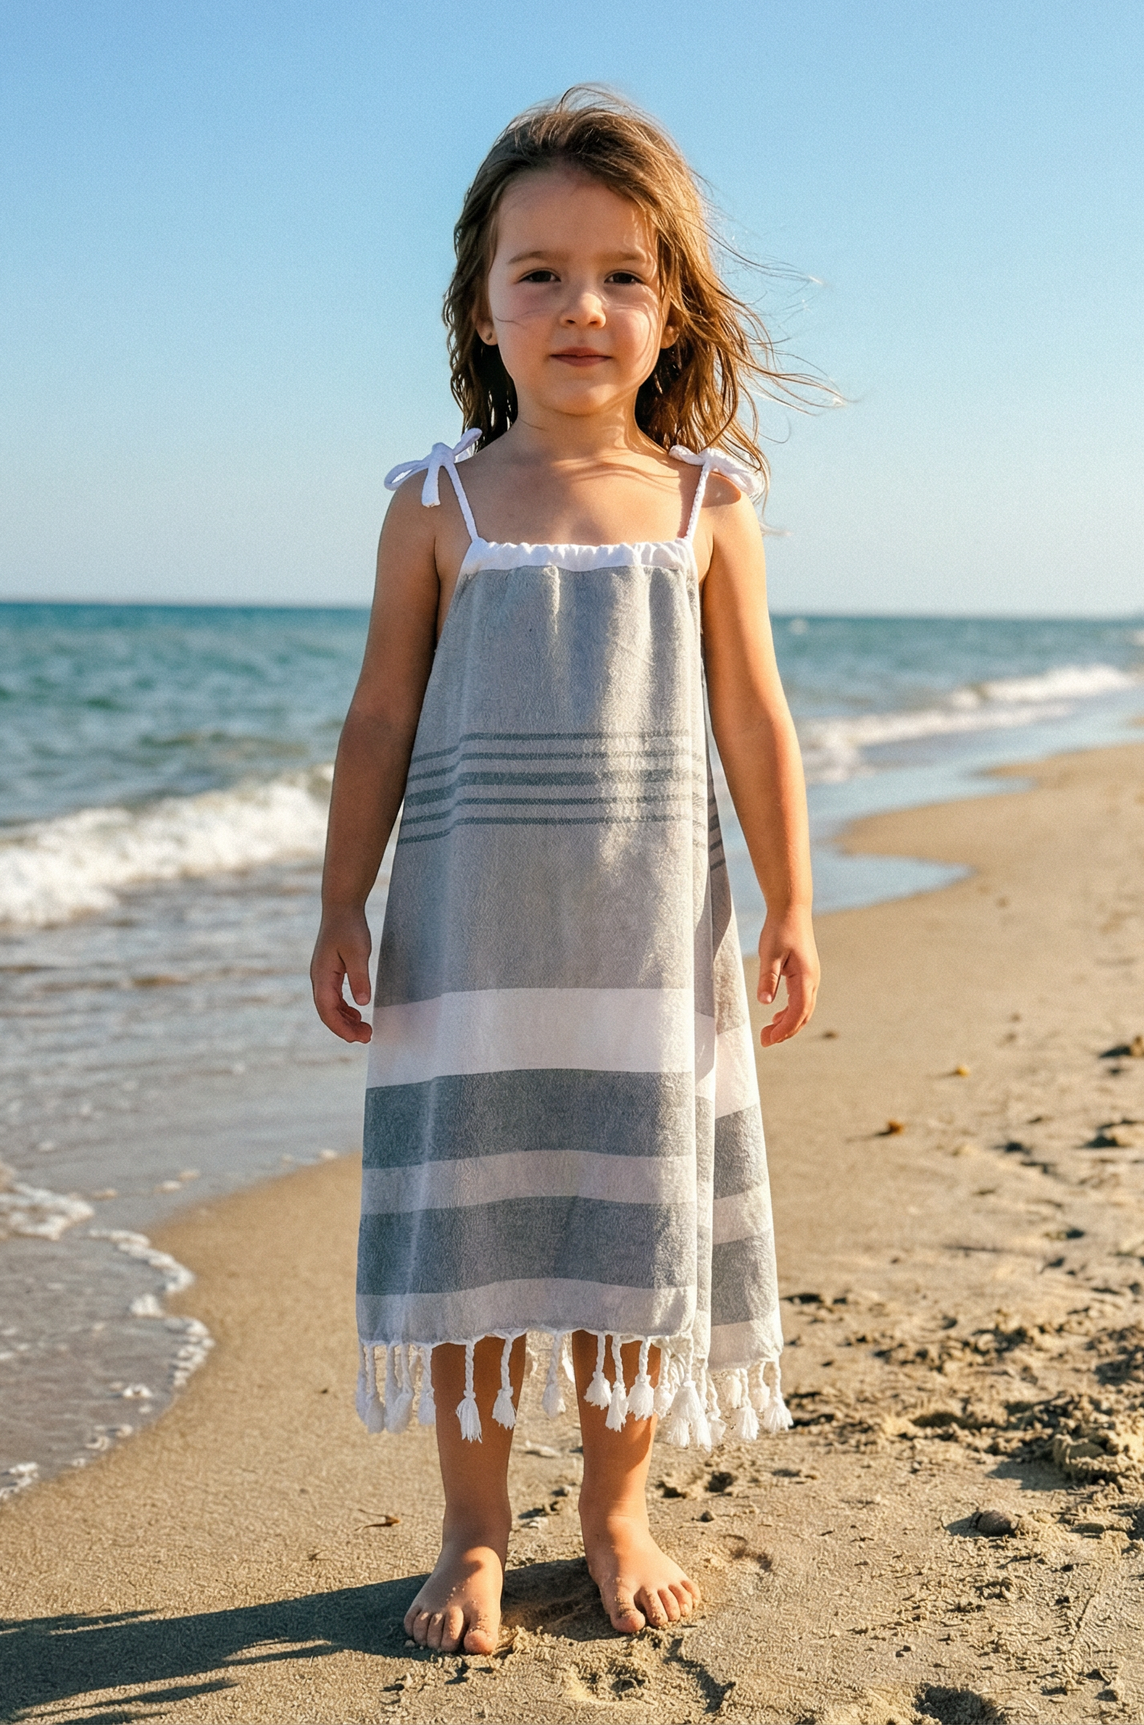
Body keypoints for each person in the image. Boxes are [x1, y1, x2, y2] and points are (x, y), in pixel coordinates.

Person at [311, 88, 821, 1656]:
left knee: (619, 1233)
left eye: (619, 273)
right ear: (481, 300)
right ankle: (473, 1525)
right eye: (539, 271)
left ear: (670, 310)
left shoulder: (707, 501)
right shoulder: (437, 503)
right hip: (467, 951)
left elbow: (753, 711)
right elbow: (382, 710)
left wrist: (794, 902)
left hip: (644, 952)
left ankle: (614, 1509)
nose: (579, 305)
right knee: (479, 1243)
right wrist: (342, 899)